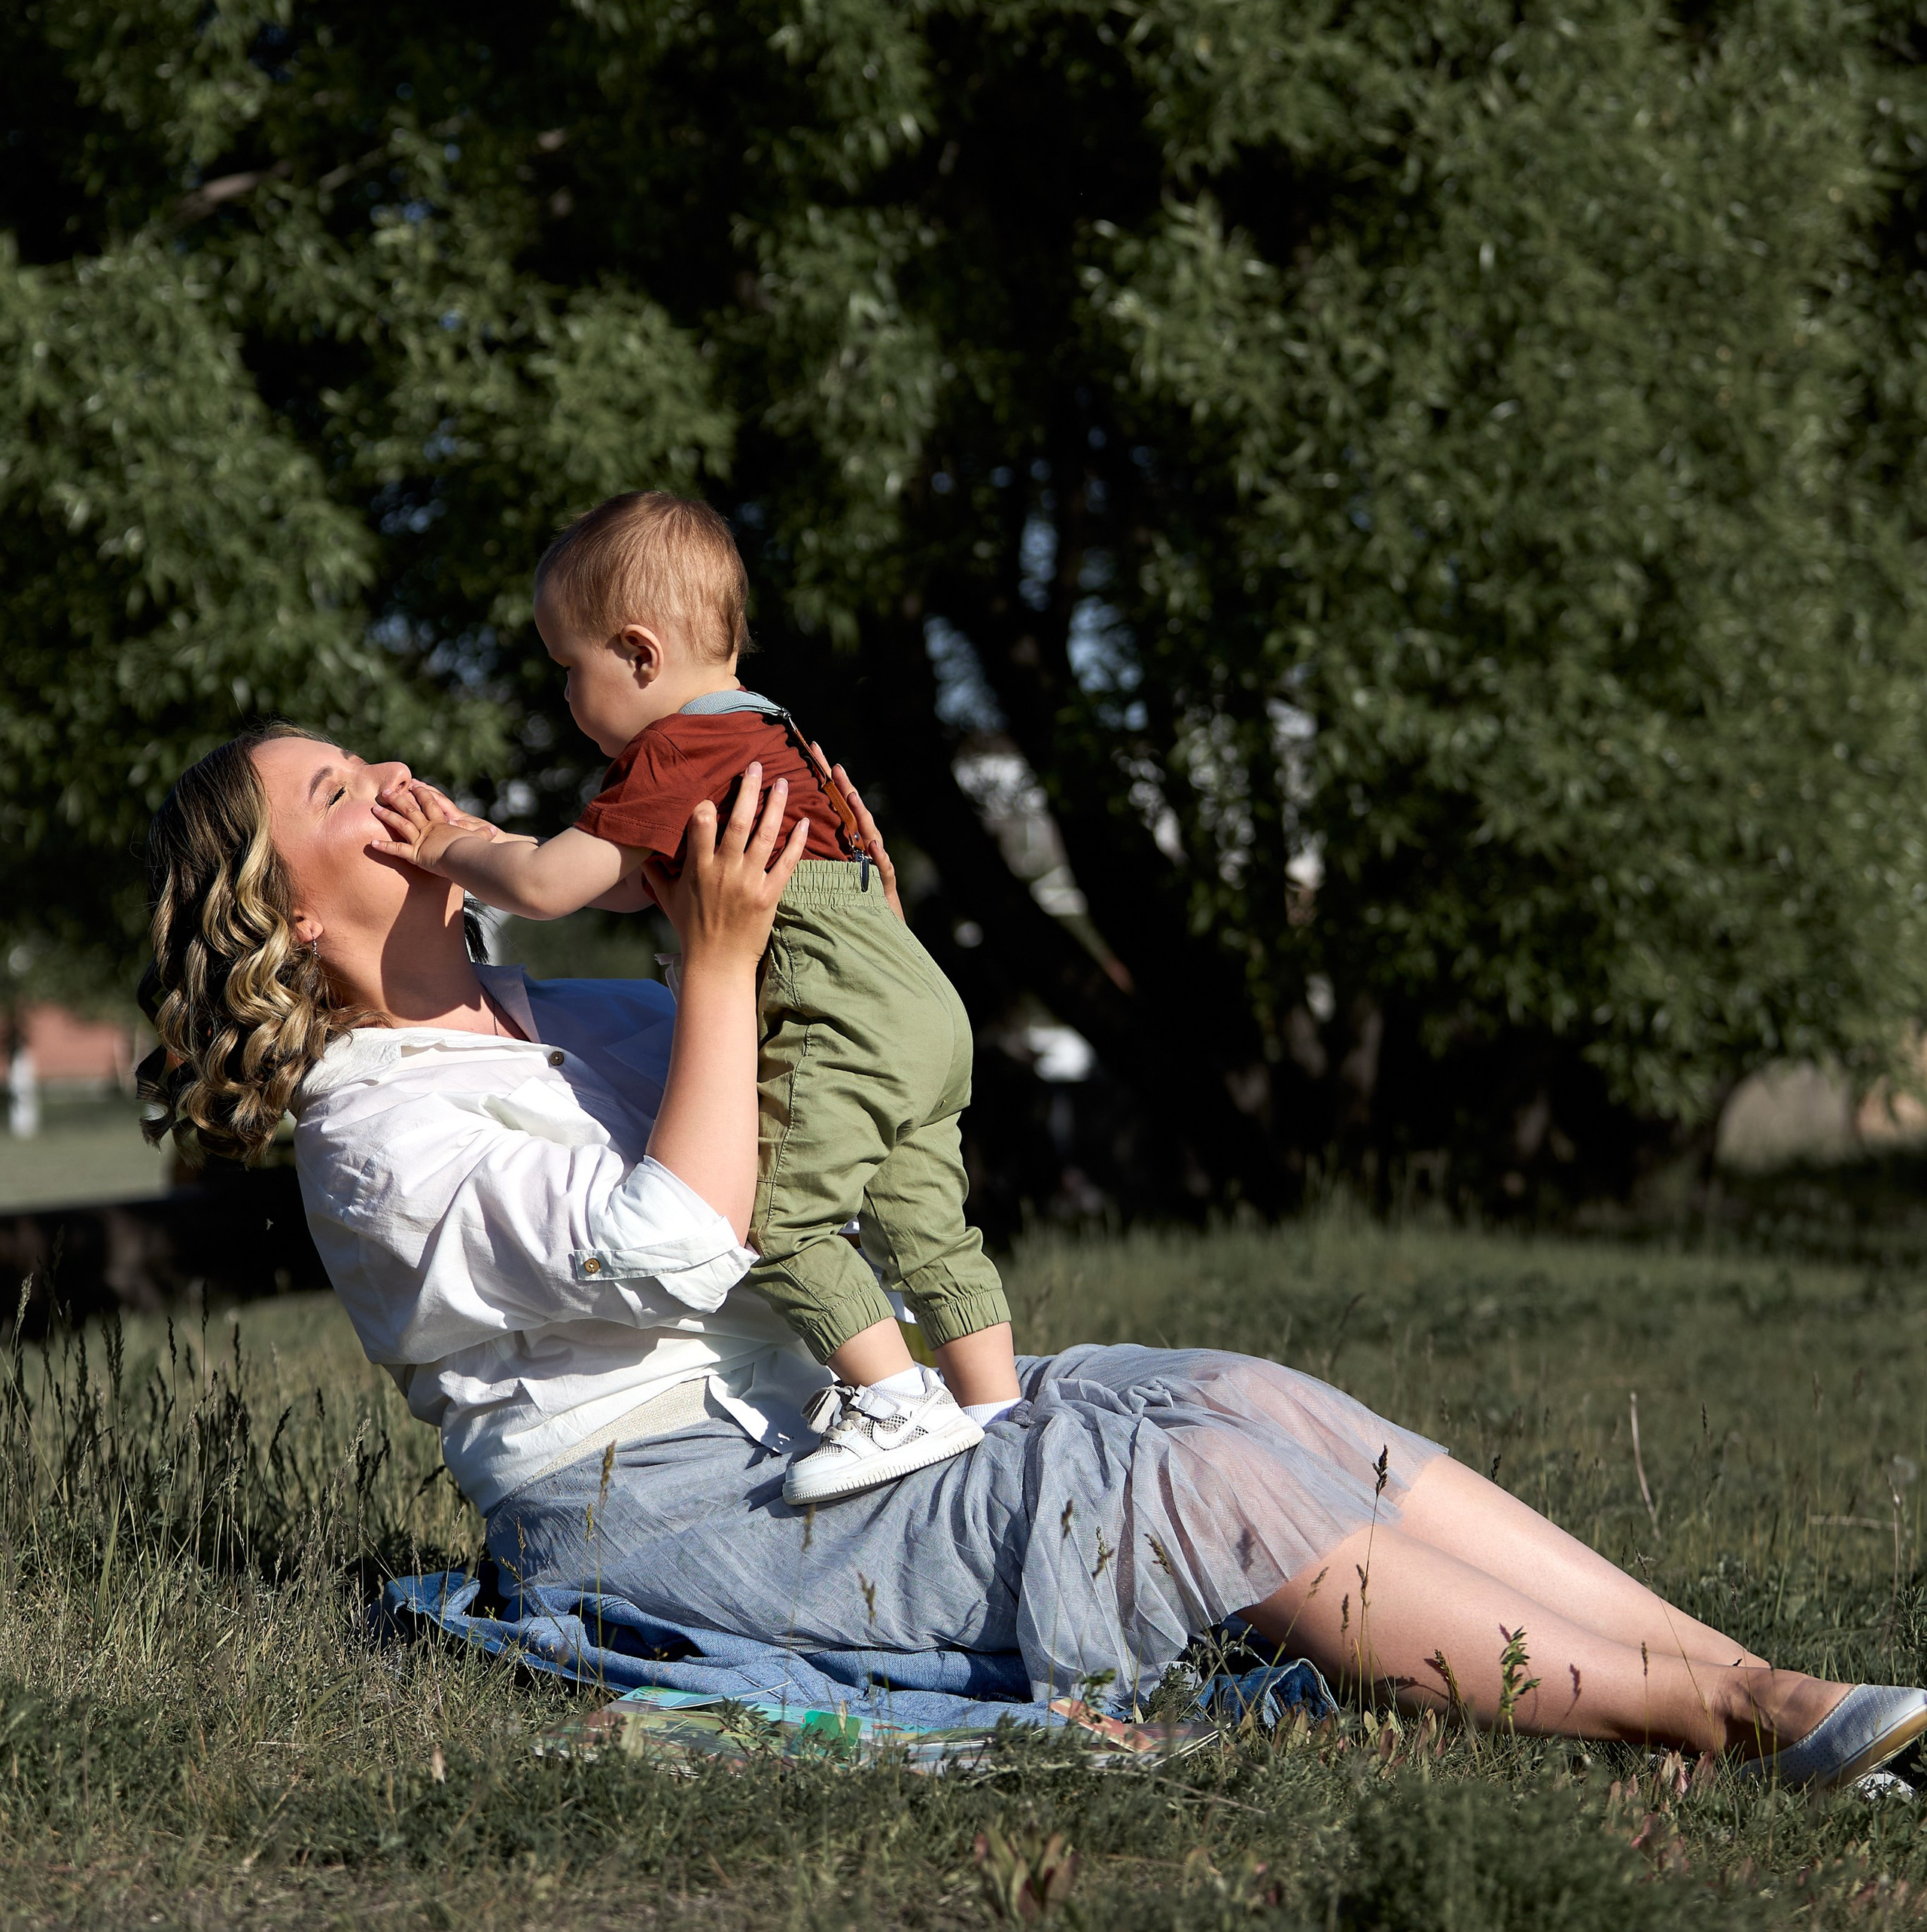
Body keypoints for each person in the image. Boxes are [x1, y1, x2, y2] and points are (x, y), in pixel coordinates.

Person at [138, 720, 1927, 1788]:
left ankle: (1771, 1682)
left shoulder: (552, 1013)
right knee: (1187, 1485)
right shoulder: (373, 1133)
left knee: (1236, 1396)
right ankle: (1718, 1720)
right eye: (334, 790)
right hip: (665, 1512)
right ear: (288, 908)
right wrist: (723, 961)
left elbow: (804, 1088)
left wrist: (814, 900)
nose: (389, 774)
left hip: (822, 1433)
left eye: (366, 753)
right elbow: (683, 1238)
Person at [365, 489, 1017, 1506]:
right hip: (918, 998)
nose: (566, 697)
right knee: (927, 1223)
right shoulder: (764, 729)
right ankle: (999, 1412)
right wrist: (511, 848)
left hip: (838, 1015)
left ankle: (896, 1402)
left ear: (639, 654)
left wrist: (454, 847)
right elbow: (629, 883)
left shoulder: (671, 751)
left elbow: (548, 887)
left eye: (567, 668)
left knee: (786, 1221)